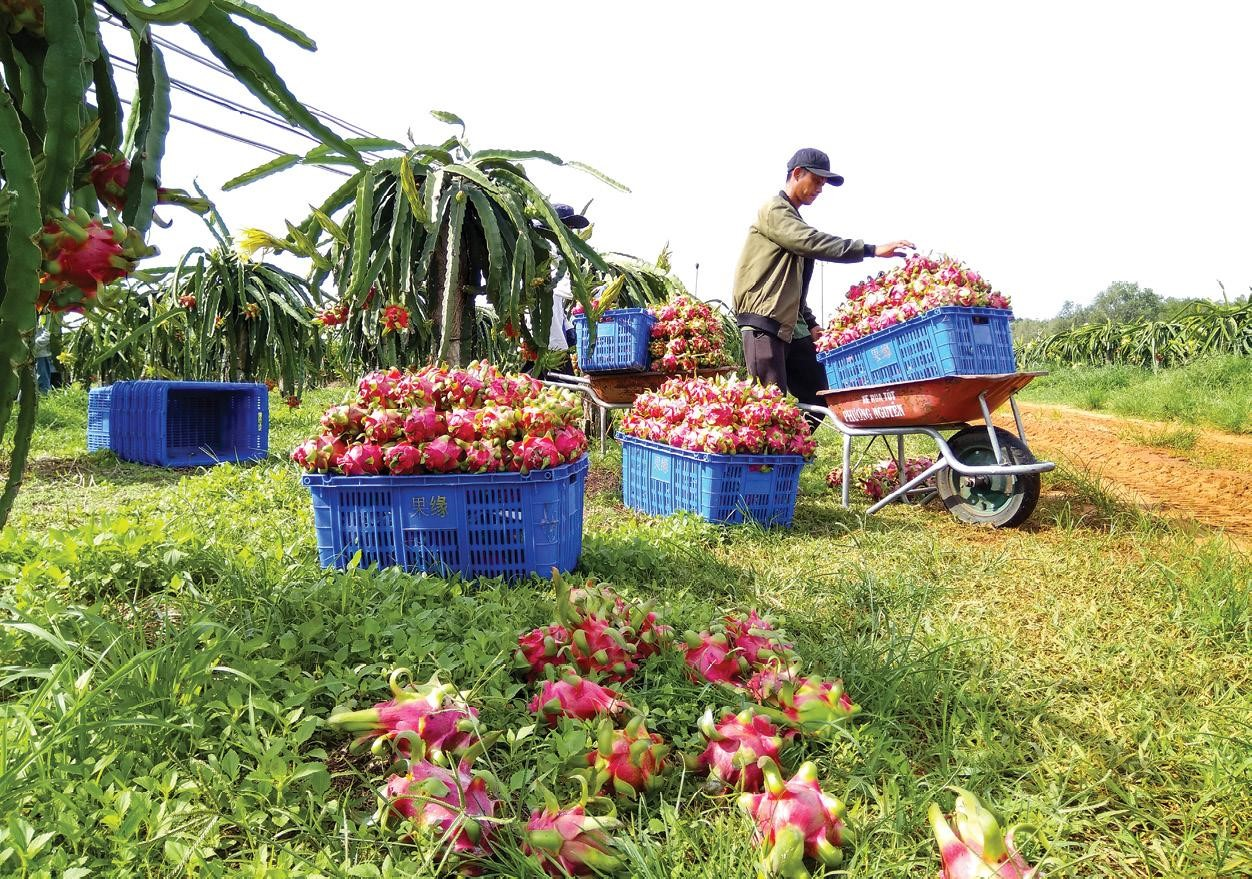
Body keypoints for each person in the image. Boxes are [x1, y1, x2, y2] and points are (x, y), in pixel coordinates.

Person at [732, 148, 913, 411]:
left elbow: (794, 287)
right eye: (816, 181)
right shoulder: (774, 211)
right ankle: (775, 450)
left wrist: (811, 323)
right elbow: (811, 241)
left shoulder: (793, 221)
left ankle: (795, 448)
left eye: (823, 184)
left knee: (819, 393)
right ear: (797, 173)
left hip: (791, 325)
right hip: (765, 322)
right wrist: (871, 249)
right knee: (768, 406)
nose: (820, 189)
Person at [33, 324, 55, 394]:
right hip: (29, 354)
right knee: (28, 382)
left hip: (41, 354)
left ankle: (44, 401)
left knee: (42, 381)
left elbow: (48, 334)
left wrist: (34, 346)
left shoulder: (46, 315)